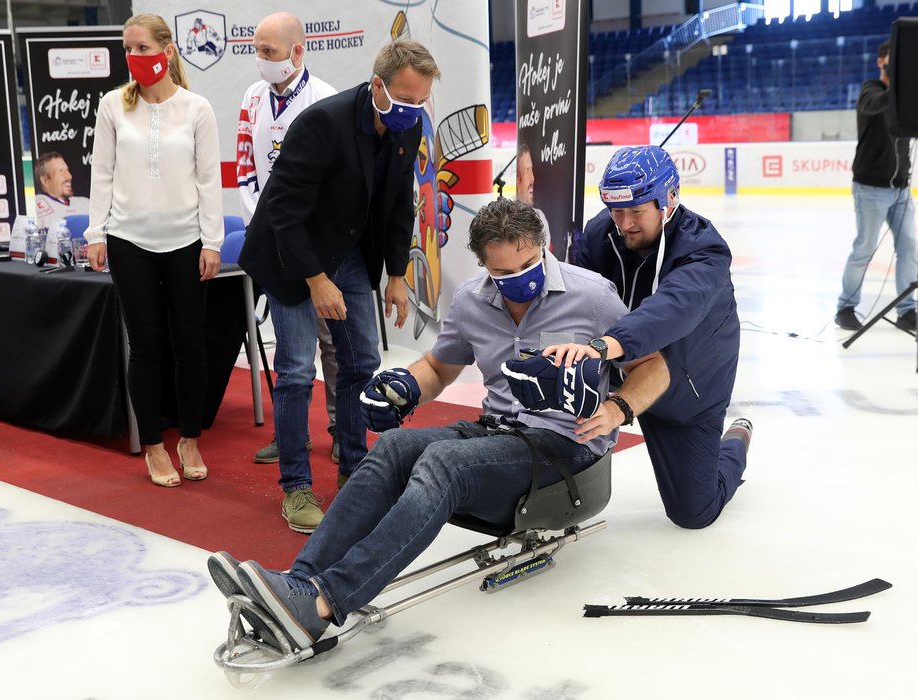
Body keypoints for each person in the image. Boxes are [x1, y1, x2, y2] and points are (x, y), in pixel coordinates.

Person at [208, 198, 666, 649]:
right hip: (498, 430)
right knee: (390, 448)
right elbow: (438, 368)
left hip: (566, 448)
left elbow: (654, 367)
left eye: (529, 265)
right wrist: (404, 387)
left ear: (543, 247)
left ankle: (326, 603)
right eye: (503, 274)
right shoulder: (472, 300)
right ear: (484, 264)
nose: (518, 281)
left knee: (445, 463)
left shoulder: (592, 297)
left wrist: (618, 409)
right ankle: (299, 588)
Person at [239, 40, 438, 533]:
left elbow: (397, 203)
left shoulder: (405, 127)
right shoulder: (322, 123)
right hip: (291, 256)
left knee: (362, 364)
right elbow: (283, 212)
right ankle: (296, 487)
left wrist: (396, 274)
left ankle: (354, 469)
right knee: (296, 371)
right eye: (406, 100)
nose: (414, 111)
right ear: (377, 87)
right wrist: (316, 279)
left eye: (421, 102)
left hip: (347, 252)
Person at [560, 145, 751, 530]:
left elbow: (670, 310)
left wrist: (604, 345)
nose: (624, 223)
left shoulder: (704, 250)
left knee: (693, 512)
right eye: (616, 211)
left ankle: (736, 439)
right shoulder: (602, 233)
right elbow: (575, 299)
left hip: (689, 385)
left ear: (669, 199)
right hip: (623, 369)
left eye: (636, 211)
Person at [84, 13, 223, 487]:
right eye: (127, 49)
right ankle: (154, 446)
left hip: (186, 242)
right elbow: (101, 173)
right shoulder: (112, 106)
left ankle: (188, 439)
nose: (133, 57)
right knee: (145, 347)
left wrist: (212, 241)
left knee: (190, 345)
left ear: (167, 50)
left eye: (142, 47)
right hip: (128, 241)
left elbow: (209, 179)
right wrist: (95, 233)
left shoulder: (197, 108)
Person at [234, 12, 341, 466]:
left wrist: (305, 235)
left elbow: (338, 181)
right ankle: (289, 435)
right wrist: (272, 226)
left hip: (321, 246)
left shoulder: (326, 99)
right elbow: (245, 167)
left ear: (298, 51)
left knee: (334, 345)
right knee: (292, 357)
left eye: (269, 52)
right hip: (274, 243)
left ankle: (340, 428)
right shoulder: (253, 98)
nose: (261, 60)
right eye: (257, 50)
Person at [835, 39, 918, 334]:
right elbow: (873, 105)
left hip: (901, 188)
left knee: (908, 248)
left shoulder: (903, 98)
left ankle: (907, 310)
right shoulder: (871, 90)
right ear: (881, 62)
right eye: (893, 59)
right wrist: (899, 88)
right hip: (870, 188)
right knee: (864, 248)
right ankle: (845, 307)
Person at [33, 151, 90, 230]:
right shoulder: (35, 206)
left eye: (67, 170)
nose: (69, 176)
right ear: (45, 180)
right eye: (61, 171)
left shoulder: (85, 203)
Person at [514, 143, 551, 248]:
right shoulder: (506, 219)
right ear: (517, 180)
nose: (532, 178)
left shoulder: (539, 217)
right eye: (527, 170)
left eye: (531, 169)